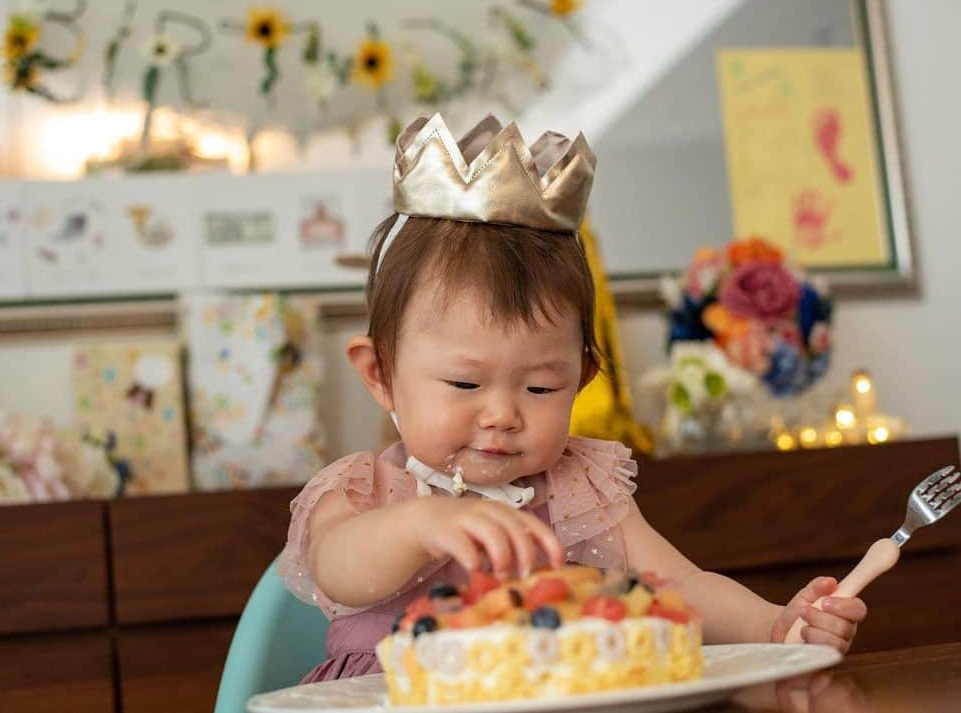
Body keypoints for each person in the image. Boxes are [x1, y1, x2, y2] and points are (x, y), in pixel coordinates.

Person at [279, 113, 867, 682]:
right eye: (464, 383)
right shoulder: (364, 492)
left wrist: (775, 626)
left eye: (540, 387)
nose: (502, 414)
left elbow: (680, 587)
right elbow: (339, 569)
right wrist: (420, 524)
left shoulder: (578, 485)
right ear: (380, 374)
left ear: (582, 377)